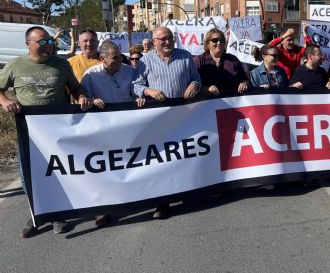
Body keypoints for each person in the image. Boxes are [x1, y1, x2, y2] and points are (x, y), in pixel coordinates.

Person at [0, 26, 92, 238]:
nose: (48, 45)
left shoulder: (61, 65)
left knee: (59, 173)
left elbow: (75, 88)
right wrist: (5, 101)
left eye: (49, 40)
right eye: (42, 42)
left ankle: (57, 214)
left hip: (57, 132)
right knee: (28, 176)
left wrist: (81, 97)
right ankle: (36, 215)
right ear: (28, 45)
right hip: (29, 133)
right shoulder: (15, 66)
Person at [132, 27, 201, 219]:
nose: (167, 42)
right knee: (161, 160)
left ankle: (186, 191)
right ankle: (162, 203)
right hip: (158, 118)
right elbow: (136, 84)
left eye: (169, 38)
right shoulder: (145, 61)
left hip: (184, 115)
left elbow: (196, 78)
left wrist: (194, 85)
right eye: (162, 39)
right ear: (154, 42)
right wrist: (150, 91)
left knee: (183, 155)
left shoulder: (185, 56)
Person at [81, 40, 145, 227]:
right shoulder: (90, 76)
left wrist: (140, 97)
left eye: (120, 56)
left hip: (129, 127)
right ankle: (103, 210)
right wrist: (92, 100)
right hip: (103, 131)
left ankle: (135, 198)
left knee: (133, 163)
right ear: (102, 59)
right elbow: (81, 99)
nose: (120, 60)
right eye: (115, 58)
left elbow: (137, 91)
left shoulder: (129, 71)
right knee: (104, 170)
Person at [194, 28, 250, 96]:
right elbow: (193, 84)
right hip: (207, 103)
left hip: (232, 101)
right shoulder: (199, 60)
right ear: (207, 43)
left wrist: (244, 84)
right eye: (215, 40)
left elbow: (245, 79)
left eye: (222, 40)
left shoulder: (233, 59)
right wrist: (206, 89)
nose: (219, 43)